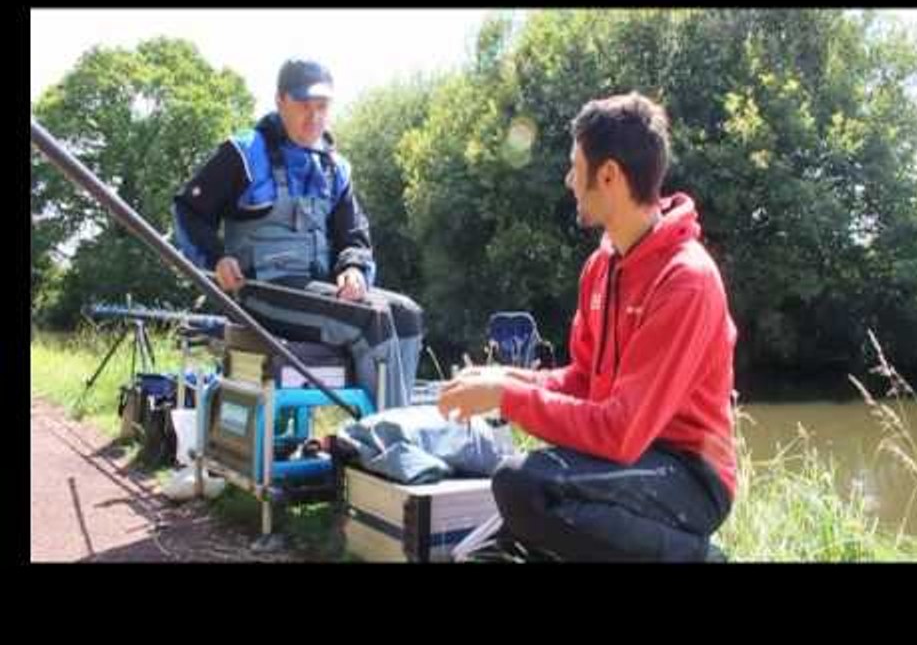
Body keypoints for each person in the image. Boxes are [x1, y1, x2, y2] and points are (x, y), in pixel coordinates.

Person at [438, 92, 737, 561]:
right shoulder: (600, 267)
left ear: (609, 175)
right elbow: (583, 381)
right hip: (627, 459)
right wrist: (505, 377)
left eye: (575, 167)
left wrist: (506, 397)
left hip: (689, 474)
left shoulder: (685, 280)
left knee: (521, 483)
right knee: (475, 554)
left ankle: (695, 557)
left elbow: (620, 432)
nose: (569, 180)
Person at [173, 57, 422, 408]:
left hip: (317, 291)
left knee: (407, 314)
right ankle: (388, 436)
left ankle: (391, 424)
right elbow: (188, 210)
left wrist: (353, 268)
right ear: (280, 101)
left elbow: (354, 234)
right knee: (371, 320)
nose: (314, 116)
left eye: (322, 106)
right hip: (258, 291)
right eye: (304, 105)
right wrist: (216, 259)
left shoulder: (335, 169)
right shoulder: (244, 153)